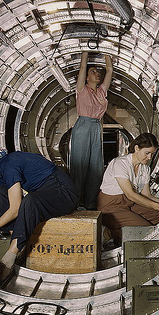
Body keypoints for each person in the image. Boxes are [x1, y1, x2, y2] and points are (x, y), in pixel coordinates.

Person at [0, 147, 79, 287]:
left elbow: (15, 210)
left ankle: (9, 259)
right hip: (43, 194)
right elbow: (4, 194)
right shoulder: (1, 170)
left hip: (64, 194)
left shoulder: (11, 165)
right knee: (0, 193)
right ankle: (17, 241)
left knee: (30, 200)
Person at [97, 133, 159, 246]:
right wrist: (157, 206)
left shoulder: (145, 168)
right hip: (110, 206)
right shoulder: (120, 163)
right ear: (137, 148)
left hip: (130, 204)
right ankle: (109, 232)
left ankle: (118, 228)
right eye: (147, 153)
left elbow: (147, 195)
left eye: (152, 154)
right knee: (143, 230)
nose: (149, 157)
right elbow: (130, 194)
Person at [70, 51, 113, 210]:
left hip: (96, 127)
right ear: (87, 77)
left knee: (96, 167)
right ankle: (74, 203)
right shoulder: (82, 88)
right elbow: (82, 66)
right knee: (79, 166)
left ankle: (90, 204)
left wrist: (108, 50)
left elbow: (109, 70)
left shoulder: (102, 91)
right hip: (82, 126)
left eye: (97, 71)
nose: (97, 74)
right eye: (92, 72)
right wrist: (86, 51)